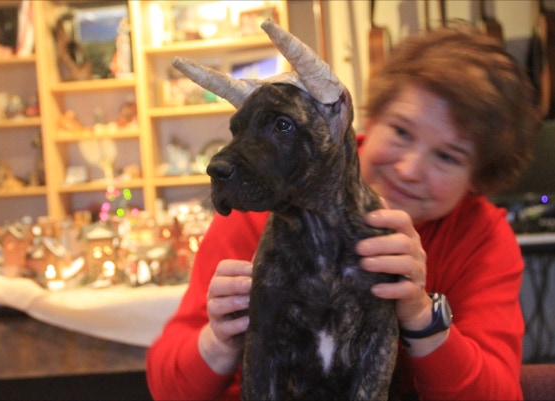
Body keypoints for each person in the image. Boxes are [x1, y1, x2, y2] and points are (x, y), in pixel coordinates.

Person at [146, 27, 539, 400]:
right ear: (364, 118)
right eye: (401, 131)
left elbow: (500, 394)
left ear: (477, 177)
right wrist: (220, 340)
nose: (409, 169)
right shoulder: (267, 198)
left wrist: (422, 316)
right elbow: (165, 387)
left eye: (448, 157)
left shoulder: (482, 238)